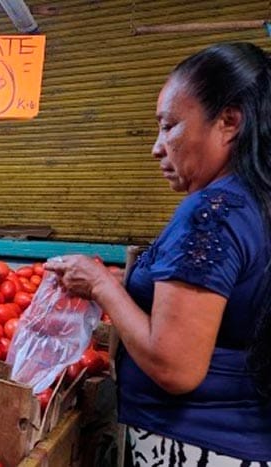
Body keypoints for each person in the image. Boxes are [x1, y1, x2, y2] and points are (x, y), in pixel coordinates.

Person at [44, 42, 271, 466]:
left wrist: (99, 286)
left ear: (229, 122)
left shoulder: (213, 212)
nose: (156, 146)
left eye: (169, 127)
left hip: (193, 446)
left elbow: (175, 368)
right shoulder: (256, 201)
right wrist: (120, 285)